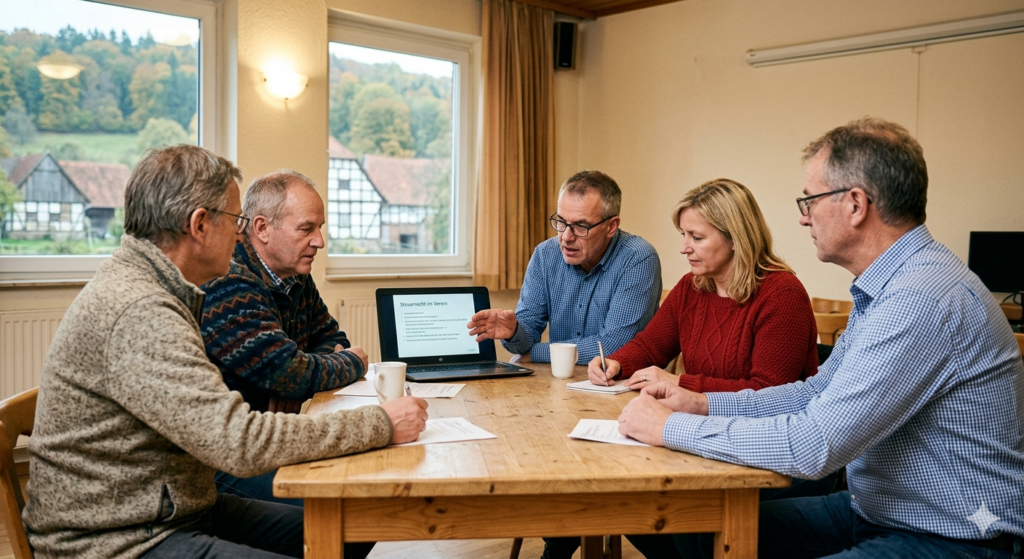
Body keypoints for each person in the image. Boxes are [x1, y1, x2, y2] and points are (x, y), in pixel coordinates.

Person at [618, 118, 1024, 558]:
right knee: (698, 529)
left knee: (704, 528)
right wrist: (700, 403)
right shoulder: (888, 287)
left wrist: (670, 427)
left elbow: (813, 445)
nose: (803, 216)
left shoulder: (919, 298)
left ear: (855, 205)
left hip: (952, 536)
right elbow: (813, 393)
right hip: (876, 512)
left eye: (810, 199)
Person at [23, 145, 429, 559]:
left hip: (177, 506)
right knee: (343, 525)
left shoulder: (158, 288)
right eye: (236, 221)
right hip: (119, 537)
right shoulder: (140, 310)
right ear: (200, 225)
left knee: (352, 529)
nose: (239, 235)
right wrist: (381, 423)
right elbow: (239, 441)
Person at [546, 179, 820, 559]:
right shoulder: (693, 287)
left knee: (668, 513)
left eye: (696, 237)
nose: (683, 247)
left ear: (736, 237)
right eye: (683, 235)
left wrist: (683, 383)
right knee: (627, 501)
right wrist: (617, 361)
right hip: (702, 438)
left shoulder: (782, 294)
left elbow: (771, 392)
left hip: (763, 451)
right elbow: (650, 345)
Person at [201, 170, 367, 505]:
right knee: (335, 503)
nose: (319, 241)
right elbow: (292, 373)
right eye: (306, 229)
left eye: (319, 228)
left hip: (270, 435)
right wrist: (352, 362)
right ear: (262, 228)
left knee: (356, 480)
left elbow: (331, 339)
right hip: (223, 453)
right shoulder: (228, 280)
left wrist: (297, 377)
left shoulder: (295, 274)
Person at [467, 170, 662, 364]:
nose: (566, 237)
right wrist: (514, 331)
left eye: (581, 226)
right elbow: (525, 337)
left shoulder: (638, 258)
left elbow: (614, 347)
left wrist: (535, 354)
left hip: (620, 380)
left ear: (611, 226)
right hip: (558, 379)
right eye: (561, 222)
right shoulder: (545, 254)